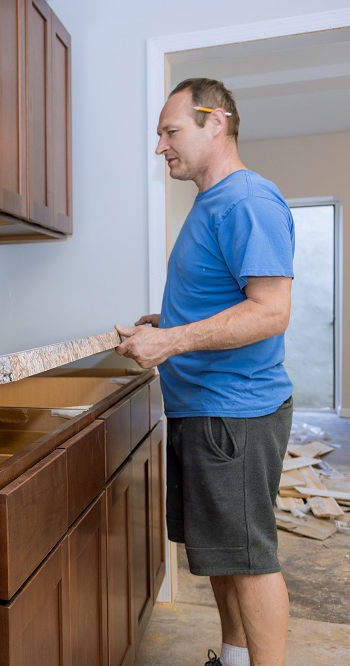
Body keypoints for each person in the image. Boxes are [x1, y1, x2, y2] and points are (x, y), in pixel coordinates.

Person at [115, 78, 295, 666]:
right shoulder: (212, 202)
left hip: (234, 412)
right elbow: (227, 296)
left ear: (215, 122)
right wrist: (165, 320)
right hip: (204, 409)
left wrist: (170, 339)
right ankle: (236, 658)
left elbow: (271, 310)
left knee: (249, 558)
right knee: (223, 555)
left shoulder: (248, 200)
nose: (161, 146)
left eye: (171, 131)